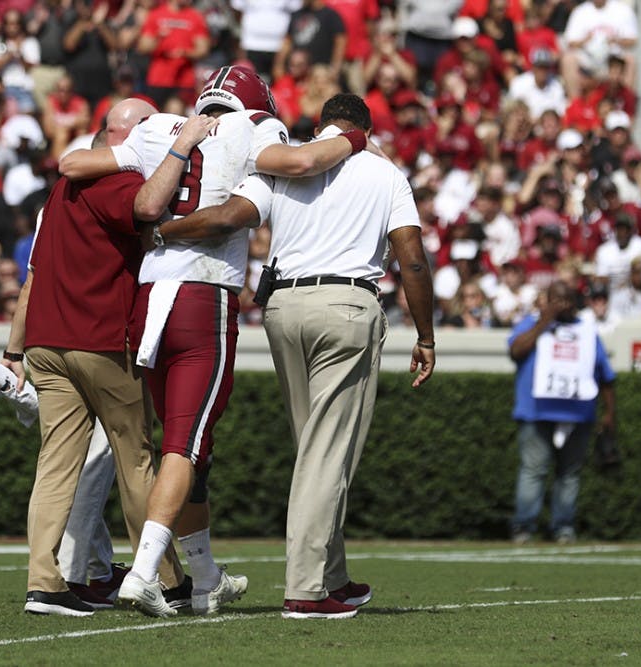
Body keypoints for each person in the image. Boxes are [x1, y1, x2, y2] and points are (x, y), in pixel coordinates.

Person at [59, 66, 370, 619]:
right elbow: (297, 163)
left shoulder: (160, 127)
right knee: (186, 443)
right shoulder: (257, 127)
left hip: (149, 293)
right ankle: (146, 571)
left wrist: (161, 170)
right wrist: (351, 137)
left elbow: (75, 163)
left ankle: (204, 578)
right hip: (204, 292)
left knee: (182, 446)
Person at [153, 93, 435, 619]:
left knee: (315, 449)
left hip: (282, 308)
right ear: (363, 131)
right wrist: (426, 336)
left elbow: (227, 217)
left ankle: (333, 575)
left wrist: (160, 231)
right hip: (348, 305)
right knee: (328, 454)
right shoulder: (385, 174)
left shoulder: (283, 162)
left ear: (319, 125)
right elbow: (412, 260)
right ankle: (307, 590)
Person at [2, 103, 214, 617]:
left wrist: (13, 349)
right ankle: (163, 578)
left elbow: (32, 280)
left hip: (46, 345)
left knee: (54, 467)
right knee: (138, 462)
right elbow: (146, 209)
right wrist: (182, 147)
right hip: (98, 341)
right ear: (123, 138)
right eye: (147, 125)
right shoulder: (117, 183)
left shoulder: (57, 194)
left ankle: (43, 584)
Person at [508, 280, 616, 545]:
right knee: (533, 470)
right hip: (537, 412)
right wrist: (544, 321)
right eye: (556, 299)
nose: (562, 304)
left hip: (578, 414)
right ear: (545, 301)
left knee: (569, 474)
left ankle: (563, 527)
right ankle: (524, 527)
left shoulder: (588, 331)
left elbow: (606, 376)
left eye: (567, 299)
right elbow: (516, 350)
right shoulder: (531, 324)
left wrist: (609, 413)